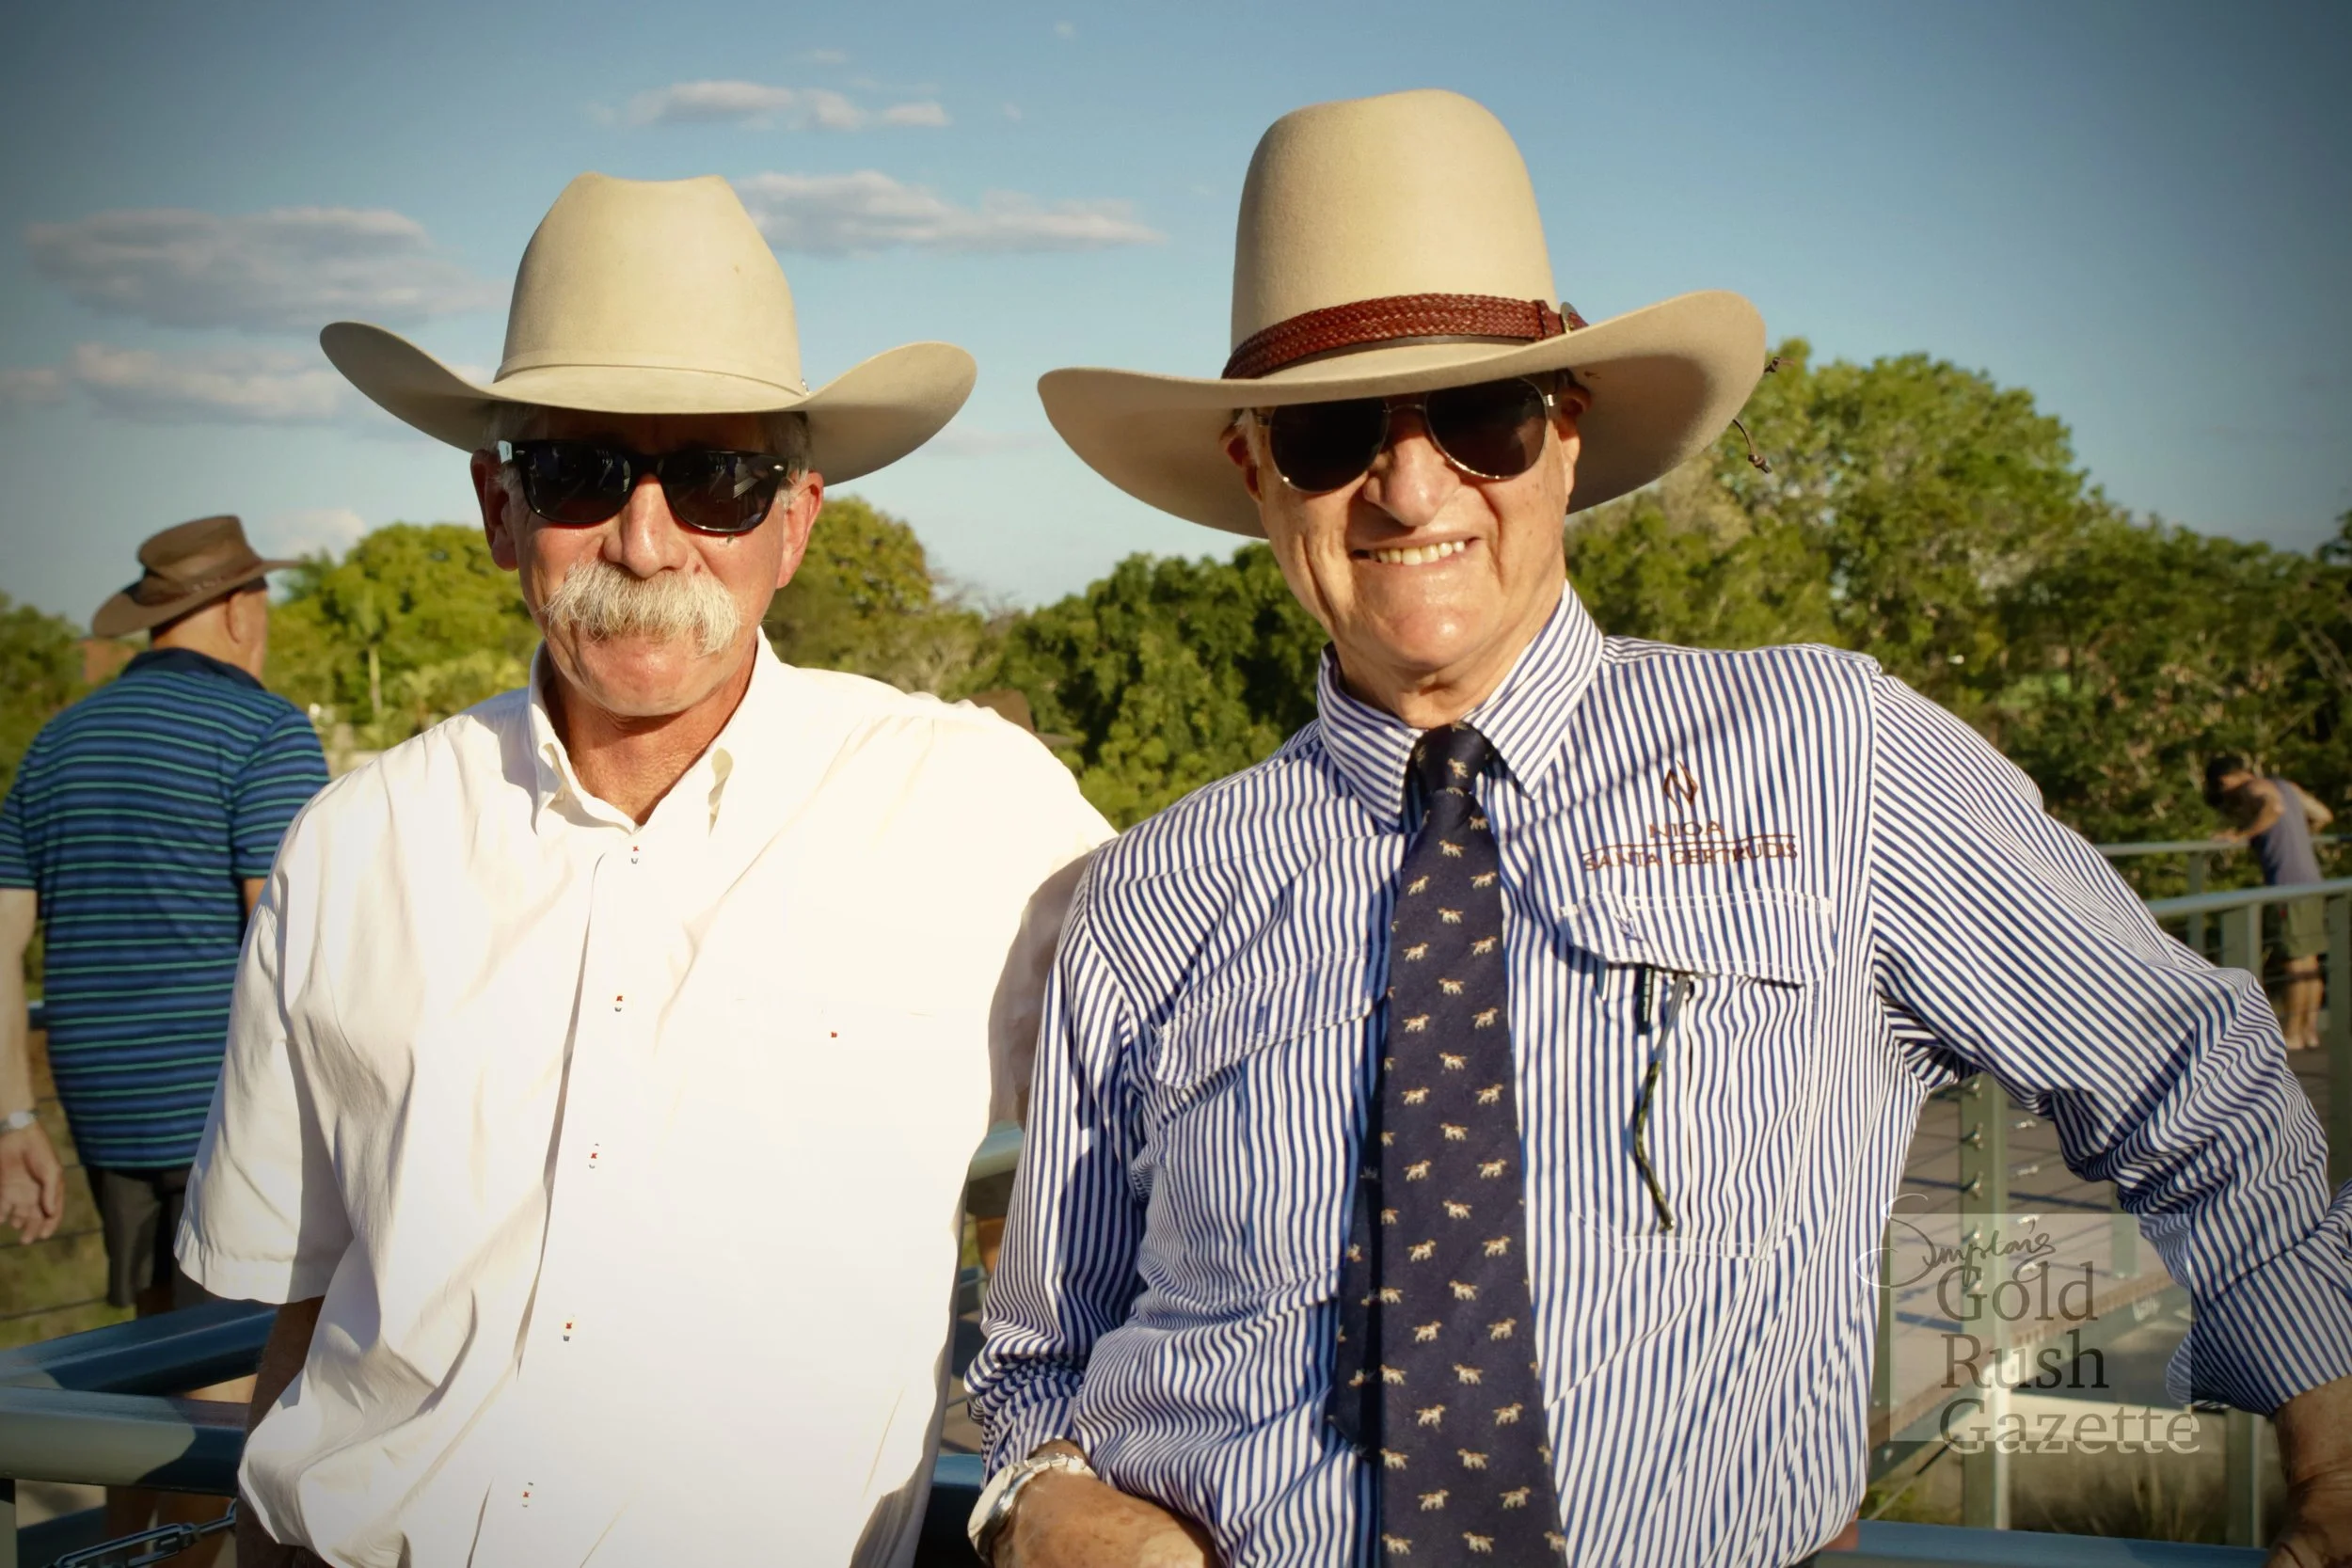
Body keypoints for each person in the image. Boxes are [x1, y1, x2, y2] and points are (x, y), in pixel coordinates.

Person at [967, 90, 2352, 1568]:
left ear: (1566, 434)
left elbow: (2180, 1067)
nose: (1412, 483)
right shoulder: (1151, 893)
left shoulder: (1832, 753)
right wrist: (1046, 1504)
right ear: (1256, 472)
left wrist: (2331, 1442)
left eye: (1482, 414)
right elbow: (1038, 1356)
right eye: (1330, 430)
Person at [176, 173, 1113, 1568]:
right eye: (581, 470)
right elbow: (304, 1317)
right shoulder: (355, 844)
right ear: (501, 510)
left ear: (794, 522)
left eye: (717, 477)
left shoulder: (978, 810)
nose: (647, 535)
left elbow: (1225, 1139)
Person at [0, 514, 327, 1561]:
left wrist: (14, 1116)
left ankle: (121, 1551)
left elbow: (3, 945)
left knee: (145, 1364)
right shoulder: (266, 734)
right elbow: (298, 947)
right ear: (239, 608)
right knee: (220, 1392)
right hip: (220, 1114)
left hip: (100, 1106)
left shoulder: (59, 739)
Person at [2207, 754, 2336, 1050]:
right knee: (2309, 959)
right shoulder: (2287, 785)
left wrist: (2242, 836)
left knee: (2294, 960)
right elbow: (2323, 816)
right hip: (2312, 879)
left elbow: (2273, 807)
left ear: (2226, 780)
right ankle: (2309, 1031)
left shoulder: (2255, 788)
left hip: (2287, 883)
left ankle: (2292, 1033)